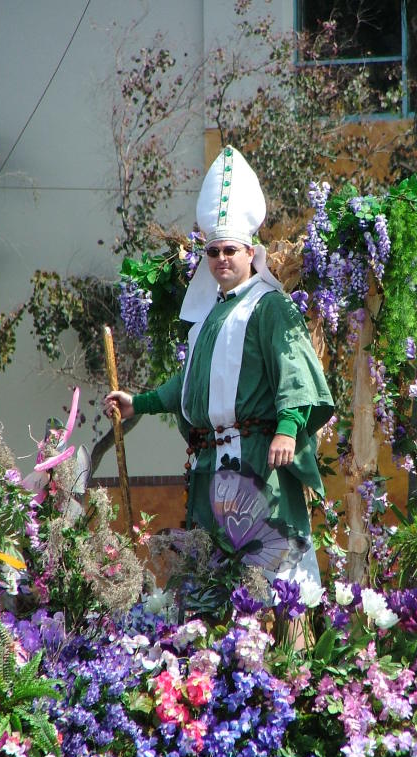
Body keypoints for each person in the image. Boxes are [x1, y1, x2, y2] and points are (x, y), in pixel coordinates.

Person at [105, 146, 334, 589]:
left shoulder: (270, 306)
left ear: (250, 252)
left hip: (258, 459)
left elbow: (295, 368)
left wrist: (288, 428)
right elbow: (194, 382)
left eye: (230, 250)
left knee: (269, 579)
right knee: (214, 582)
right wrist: (140, 403)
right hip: (212, 465)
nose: (221, 259)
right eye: (212, 251)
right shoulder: (209, 316)